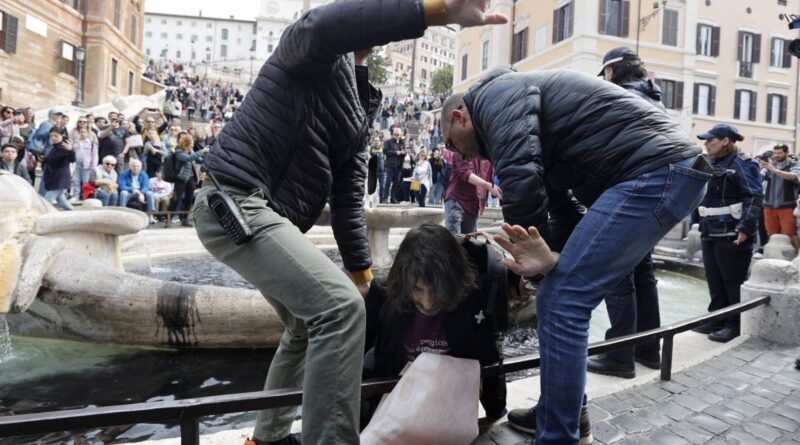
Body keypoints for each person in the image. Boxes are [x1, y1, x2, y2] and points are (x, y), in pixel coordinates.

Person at [192, 1, 507, 444]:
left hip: (258, 212)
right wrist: (433, 11)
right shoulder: (311, 53)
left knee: (308, 324)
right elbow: (323, 25)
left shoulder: (361, 109)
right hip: (235, 200)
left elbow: (346, 200)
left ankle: (266, 438)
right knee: (339, 310)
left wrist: (361, 274)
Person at [441, 66, 709, 444]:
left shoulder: (492, 96)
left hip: (655, 171)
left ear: (458, 117)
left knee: (563, 301)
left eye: (450, 143)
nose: (456, 152)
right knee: (559, 295)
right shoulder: (518, 111)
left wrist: (531, 271)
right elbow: (561, 207)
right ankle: (562, 411)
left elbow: (521, 180)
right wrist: (537, 270)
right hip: (664, 172)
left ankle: (558, 434)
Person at [362, 224, 508, 424]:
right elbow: (357, 356)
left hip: (449, 408)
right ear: (403, 280)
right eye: (417, 289)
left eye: (437, 289)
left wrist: (495, 409)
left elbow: (488, 356)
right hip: (394, 408)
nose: (428, 303)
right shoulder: (383, 297)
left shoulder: (473, 304)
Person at [585, 47, 665, 379]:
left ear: (612, 73)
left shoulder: (617, 98)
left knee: (618, 270)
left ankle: (619, 355)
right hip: (660, 190)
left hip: (631, 188)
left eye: (604, 74)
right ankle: (649, 348)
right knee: (643, 271)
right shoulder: (654, 99)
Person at [692, 124, 762, 343]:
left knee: (732, 279)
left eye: (710, 140)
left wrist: (745, 228)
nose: (706, 144)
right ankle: (717, 318)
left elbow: (753, 196)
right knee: (713, 277)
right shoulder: (711, 162)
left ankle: (734, 323)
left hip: (732, 231)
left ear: (725, 141)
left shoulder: (743, 164)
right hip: (709, 229)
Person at [444, 153, 499, 234]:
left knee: (470, 242)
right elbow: (465, 173)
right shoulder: (461, 146)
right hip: (457, 200)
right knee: (454, 240)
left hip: (473, 206)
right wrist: (488, 185)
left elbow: (490, 177)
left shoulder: (488, 155)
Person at [759, 143, 800, 250]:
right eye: (775, 153)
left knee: (790, 234)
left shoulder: (794, 165)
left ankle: (798, 257)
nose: (776, 155)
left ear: (787, 153)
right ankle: (775, 258)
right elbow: (758, 180)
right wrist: (759, 168)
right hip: (769, 206)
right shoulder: (769, 165)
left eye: (780, 153)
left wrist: (775, 171)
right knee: (772, 234)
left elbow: (793, 177)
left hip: (787, 206)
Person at [169, 132, 206, 227]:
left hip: (191, 179)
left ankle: (185, 219)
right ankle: (169, 217)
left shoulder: (191, 151)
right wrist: (202, 151)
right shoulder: (178, 153)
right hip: (181, 179)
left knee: (189, 199)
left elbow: (198, 159)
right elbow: (189, 158)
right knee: (176, 199)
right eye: (191, 144)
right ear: (185, 144)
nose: (193, 145)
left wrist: (208, 154)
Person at [42, 126, 75, 211]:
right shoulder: (54, 147)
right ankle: (75, 215)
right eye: (51, 136)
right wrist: (44, 159)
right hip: (52, 177)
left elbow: (72, 159)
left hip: (60, 178)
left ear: (62, 135)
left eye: (56, 135)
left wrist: (71, 150)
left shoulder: (65, 146)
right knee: (62, 202)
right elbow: (52, 160)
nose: (53, 138)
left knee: (47, 201)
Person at [70, 127, 99, 202]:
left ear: (88, 133)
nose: (83, 134)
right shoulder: (75, 142)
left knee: (86, 181)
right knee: (76, 180)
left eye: (84, 132)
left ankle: (85, 197)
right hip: (76, 164)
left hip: (87, 165)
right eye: (81, 132)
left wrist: (93, 166)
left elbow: (95, 155)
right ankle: (76, 195)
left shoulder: (92, 143)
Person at [383, 128, 406, 203]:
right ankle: (385, 198)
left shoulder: (402, 142)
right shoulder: (388, 141)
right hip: (390, 165)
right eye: (395, 134)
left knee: (396, 183)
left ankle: (392, 198)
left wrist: (403, 153)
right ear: (393, 134)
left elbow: (405, 152)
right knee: (388, 182)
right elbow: (385, 151)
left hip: (399, 166)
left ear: (400, 135)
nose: (396, 136)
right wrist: (396, 152)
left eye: (397, 134)